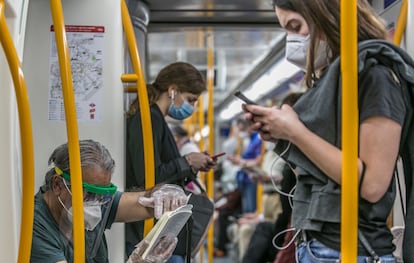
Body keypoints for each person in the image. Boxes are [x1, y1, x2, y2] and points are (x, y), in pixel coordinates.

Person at [243, 0, 414, 262]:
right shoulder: (332, 81)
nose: (292, 40)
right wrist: (284, 134)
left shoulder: (376, 75)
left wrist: (296, 133)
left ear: (324, 16)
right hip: (314, 243)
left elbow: (372, 186)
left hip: (349, 249)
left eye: (295, 26)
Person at [31, 139, 189, 263]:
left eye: (103, 195)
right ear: (58, 185)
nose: (96, 204)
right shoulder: (36, 227)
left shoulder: (97, 201)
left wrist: (164, 193)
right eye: (90, 194)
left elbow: (147, 202)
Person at [125, 62, 216, 262]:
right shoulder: (148, 119)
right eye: (191, 100)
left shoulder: (156, 119)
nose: (192, 107)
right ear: (173, 90)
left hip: (157, 225)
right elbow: (149, 177)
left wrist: (192, 165)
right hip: (148, 226)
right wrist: (187, 161)